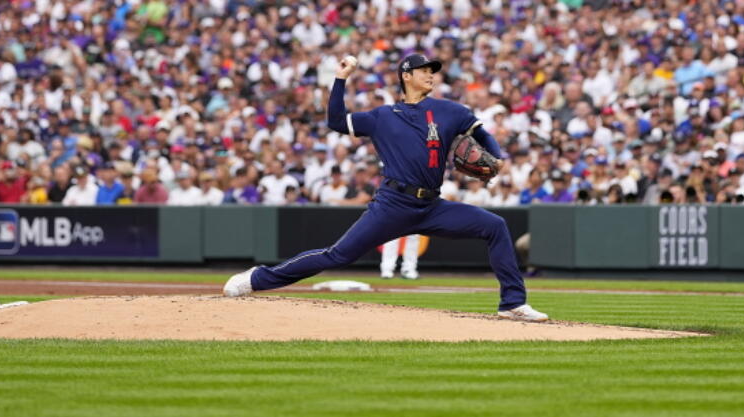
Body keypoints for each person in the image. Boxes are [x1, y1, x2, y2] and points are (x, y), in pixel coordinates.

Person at [224, 53, 548, 321]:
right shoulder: (382, 116)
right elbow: (336, 122)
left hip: (432, 206)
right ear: (406, 75)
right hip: (392, 205)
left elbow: (480, 133)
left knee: (495, 226)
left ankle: (512, 303)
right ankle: (257, 279)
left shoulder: (449, 111)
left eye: (433, 71)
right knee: (336, 256)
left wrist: (499, 156)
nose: (431, 75)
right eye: (424, 70)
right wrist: (340, 80)